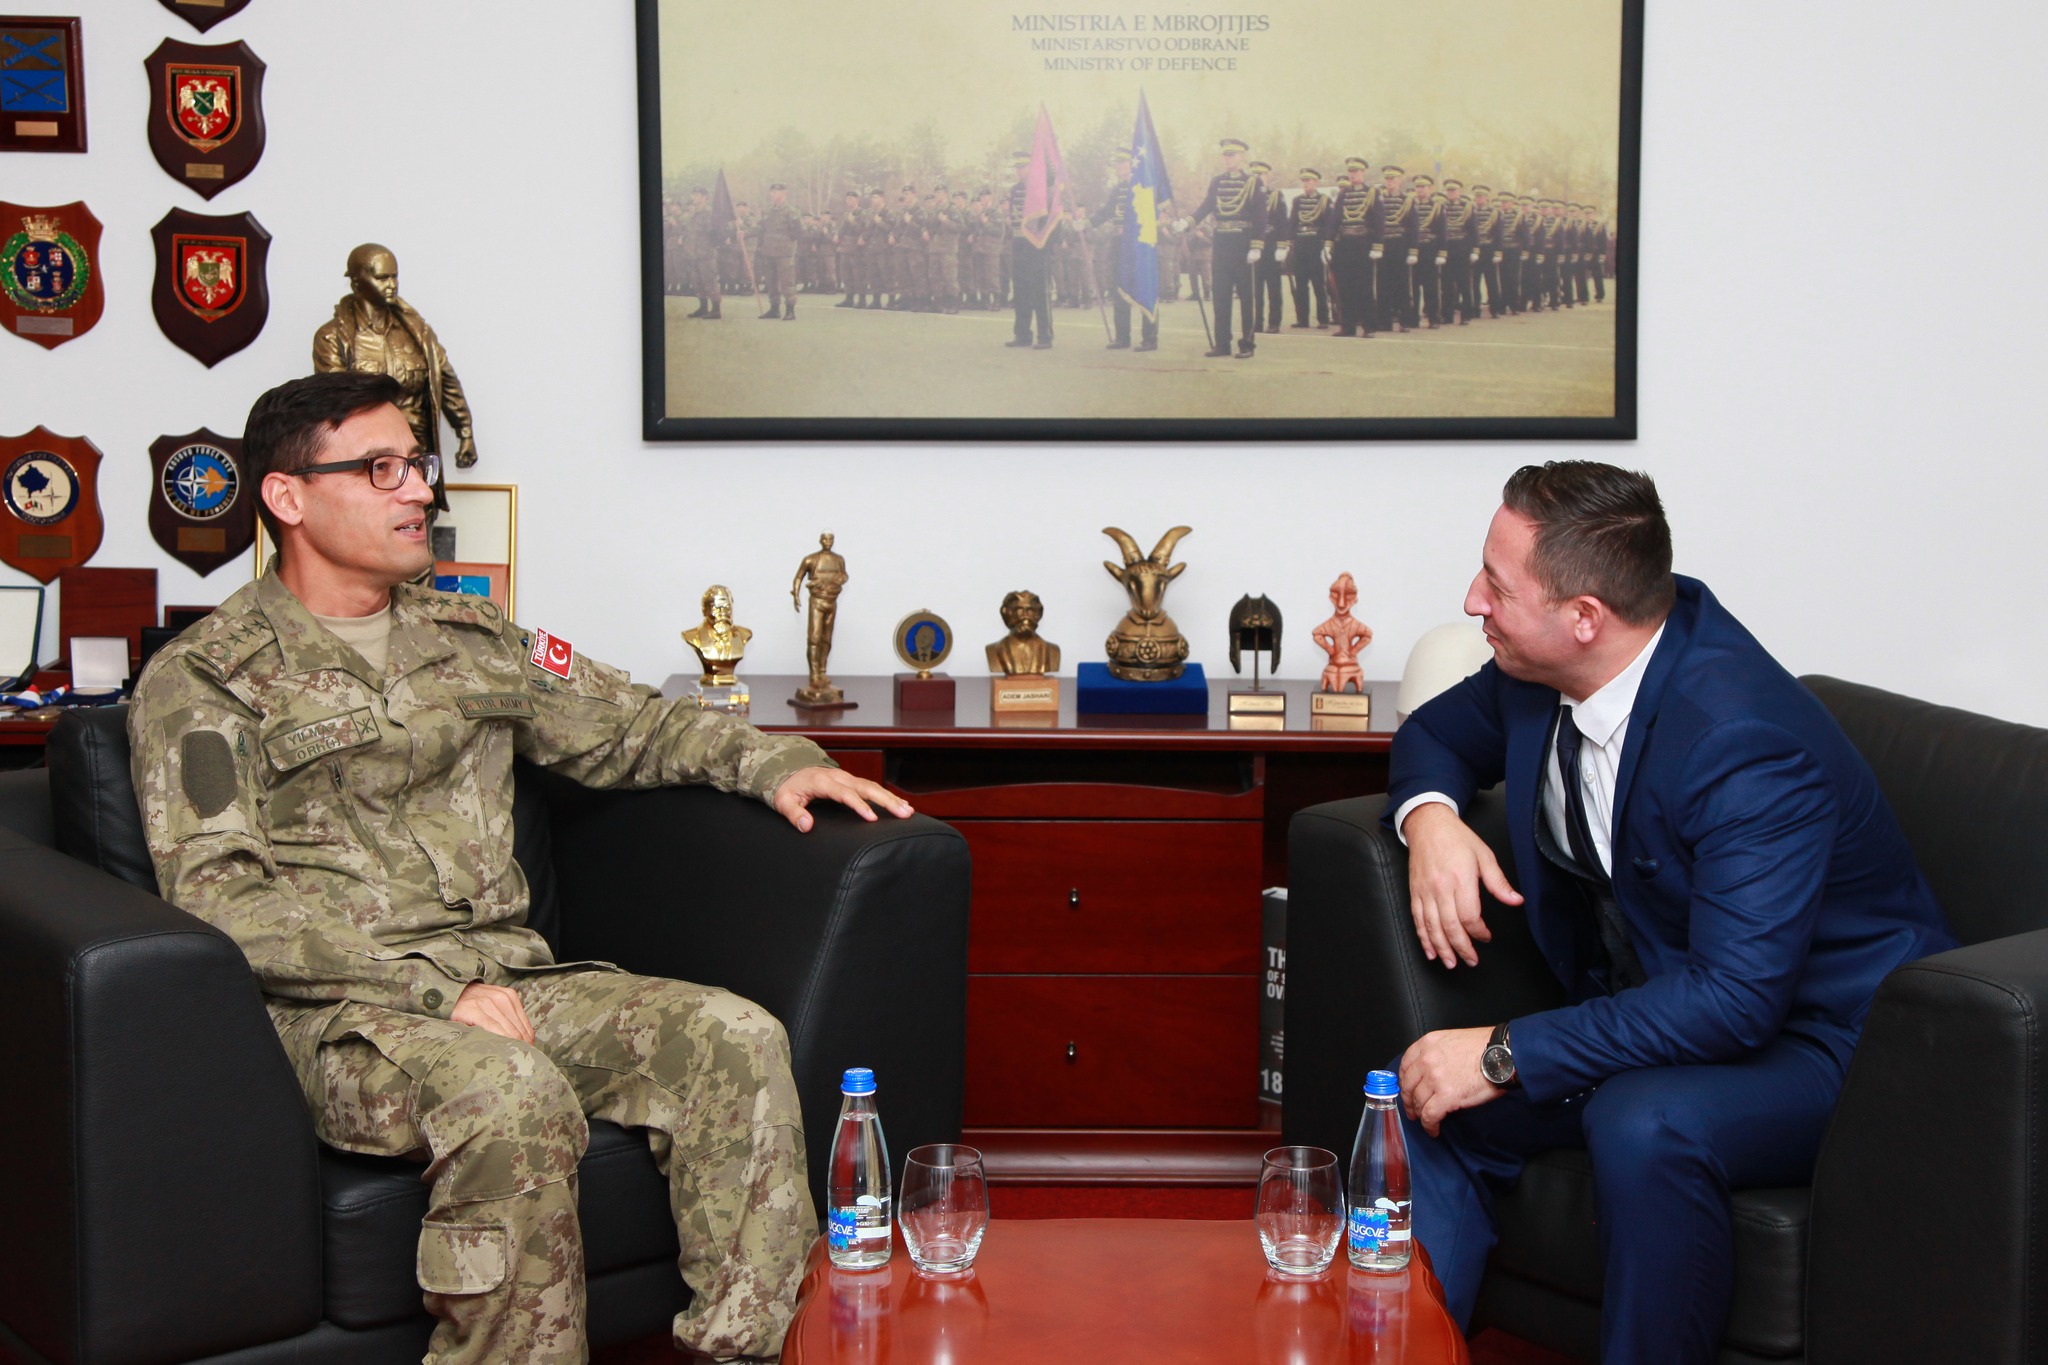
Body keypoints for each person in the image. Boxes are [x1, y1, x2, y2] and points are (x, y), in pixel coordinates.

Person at [129, 372, 915, 1365]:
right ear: (288, 497)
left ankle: (744, 1350)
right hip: (341, 1016)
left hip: (507, 976)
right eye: (381, 469)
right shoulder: (206, 677)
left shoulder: (475, 638)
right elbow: (221, 896)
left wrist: (777, 764)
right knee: (507, 1089)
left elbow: (630, 724)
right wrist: (429, 989)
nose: (420, 489)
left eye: (418, 464)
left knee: (732, 1037)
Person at [1384, 460, 1952, 1365]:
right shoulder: (1541, 669)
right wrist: (1433, 823)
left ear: (1585, 617)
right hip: (1676, 1002)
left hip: (1837, 1041)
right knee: (1419, 1091)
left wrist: (1502, 1051)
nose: (1471, 600)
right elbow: (1432, 733)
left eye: (1496, 583)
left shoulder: (1743, 741)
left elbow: (1735, 1000)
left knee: (1642, 1120)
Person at [312, 244, 477, 506]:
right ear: (356, 283)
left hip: (418, 462)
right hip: (368, 470)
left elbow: (445, 380)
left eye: (394, 276)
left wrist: (464, 431)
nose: (391, 285)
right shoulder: (333, 337)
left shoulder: (418, 333)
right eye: (382, 278)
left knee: (420, 523)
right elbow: (336, 401)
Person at [1182, 137, 1265, 358]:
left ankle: (1247, 344)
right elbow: (1206, 206)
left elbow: (1260, 216)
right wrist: (1188, 221)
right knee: (1220, 296)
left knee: (1247, 297)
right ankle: (1222, 344)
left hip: (1243, 243)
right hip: (1222, 243)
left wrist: (1256, 245)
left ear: (1242, 156)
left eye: (1232, 155)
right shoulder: (1217, 181)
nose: (1228, 159)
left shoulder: (1254, 182)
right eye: (1225, 155)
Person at [1287, 167, 1333, 329]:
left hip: (1315, 244)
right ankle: (1302, 319)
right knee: (1300, 284)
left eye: (1308, 181)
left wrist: (1326, 244)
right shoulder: (1297, 200)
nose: (1305, 184)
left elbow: (1328, 224)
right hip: (1300, 244)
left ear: (1316, 182)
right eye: (1304, 181)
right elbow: (1292, 223)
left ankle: (1323, 319)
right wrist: (1289, 242)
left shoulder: (1324, 200)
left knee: (1318, 283)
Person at [984, 589, 1061, 675]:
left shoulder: (1052, 650)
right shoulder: (994, 649)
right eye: (1019, 610)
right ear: (1007, 613)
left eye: (1030, 610)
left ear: (1038, 614)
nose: (1025, 615)